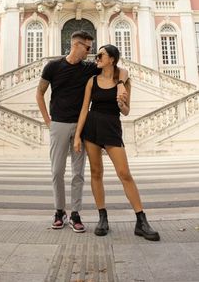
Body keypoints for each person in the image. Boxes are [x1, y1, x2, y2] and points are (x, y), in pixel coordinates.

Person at [36, 31, 128, 233]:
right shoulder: (53, 66)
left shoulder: (89, 68)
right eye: (87, 48)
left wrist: (121, 83)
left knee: (78, 173)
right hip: (58, 124)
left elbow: (120, 69)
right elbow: (40, 93)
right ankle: (59, 211)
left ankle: (75, 213)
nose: (90, 52)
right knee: (57, 171)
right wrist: (47, 121)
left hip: (81, 125)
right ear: (76, 45)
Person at [74, 44, 160, 241]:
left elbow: (127, 111)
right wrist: (78, 135)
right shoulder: (92, 81)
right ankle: (102, 217)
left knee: (124, 174)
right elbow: (84, 109)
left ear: (111, 59)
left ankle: (141, 220)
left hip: (112, 128)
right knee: (96, 173)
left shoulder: (123, 81)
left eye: (101, 55)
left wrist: (121, 103)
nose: (97, 58)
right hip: (92, 128)